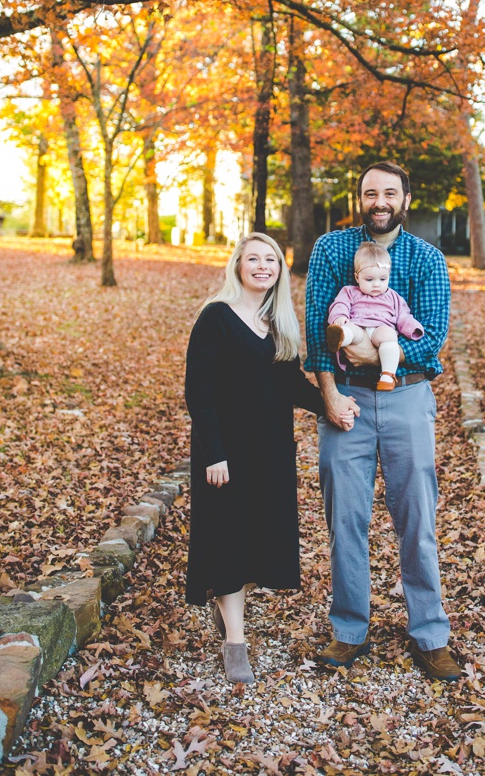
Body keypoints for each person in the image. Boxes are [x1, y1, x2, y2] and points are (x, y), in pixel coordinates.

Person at [303, 161, 462, 681]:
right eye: (370, 192)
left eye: (389, 193)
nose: (379, 201)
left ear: (405, 199)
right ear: (360, 197)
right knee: (345, 519)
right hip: (343, 400)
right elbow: (316, 330)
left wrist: (366, 353)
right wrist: (329, 392)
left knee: (417, 517)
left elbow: (429, 342)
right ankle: (349, 629)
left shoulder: (427, 258)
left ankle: (430, 634)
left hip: (407, 400)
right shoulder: (331, 250)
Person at [185, 232, 324, 685]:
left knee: (257, 539)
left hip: (270, 451)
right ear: (238, 265)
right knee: (228, 539)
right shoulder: (216, 318)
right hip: (225, 453)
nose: (263, 266)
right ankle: (236, 643)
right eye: (254, 259)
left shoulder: (277, 322)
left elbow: (292, 386)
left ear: (280, 270)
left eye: (271, 260)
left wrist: (333, 405)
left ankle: (228, 611)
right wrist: (215, 454)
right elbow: (198, 393)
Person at [325, 242, 425, 392]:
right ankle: (339, 336)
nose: (376, 285)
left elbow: (403, 315)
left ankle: (387, 375)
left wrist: (413, 328)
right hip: (358, 326)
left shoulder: (393, 297)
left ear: (388, 277)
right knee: (350, 329)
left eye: (382, 279)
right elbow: (340, 304)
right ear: (357, 277)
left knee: (389, 336)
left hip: (380, 328)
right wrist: (339, 317)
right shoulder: (350, 291)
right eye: (369, 280)